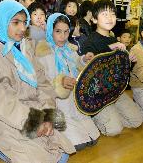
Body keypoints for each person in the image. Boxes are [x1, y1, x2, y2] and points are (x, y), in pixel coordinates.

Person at [0, 0, 76, 163]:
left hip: (32, 109)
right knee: (45, 159)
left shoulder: (25, 46)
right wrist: (33, 121)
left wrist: (47, 114)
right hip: (3, 116)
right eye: (15, 22)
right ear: (1, 21)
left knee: (62, 155)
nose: (22, 28)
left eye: (25, 22)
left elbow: (43, 83)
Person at [35, 13, 100, 151]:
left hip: (74, 99)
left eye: (66, 32)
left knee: (93, 137)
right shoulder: (43, 51)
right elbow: (41, 83)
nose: (62, 36)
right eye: (58, 31)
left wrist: (83, 60)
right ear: (50, 31)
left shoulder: (69, 48)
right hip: (56, 102)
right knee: (78, 143)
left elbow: (76, 63)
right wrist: (60, 82)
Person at [81, 0, 143, 136]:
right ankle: (96, 118)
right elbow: (91, 67)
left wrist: (129, 61)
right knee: (114, 130)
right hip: (97, 95)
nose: (110, 18)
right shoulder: (90, 41)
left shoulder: (114, 40)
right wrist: (110, 48)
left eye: (112, 14)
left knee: (137, 121)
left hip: (115, 91)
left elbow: (120, 70)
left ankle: (111, 116)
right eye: (104, 14)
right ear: (94, 20)